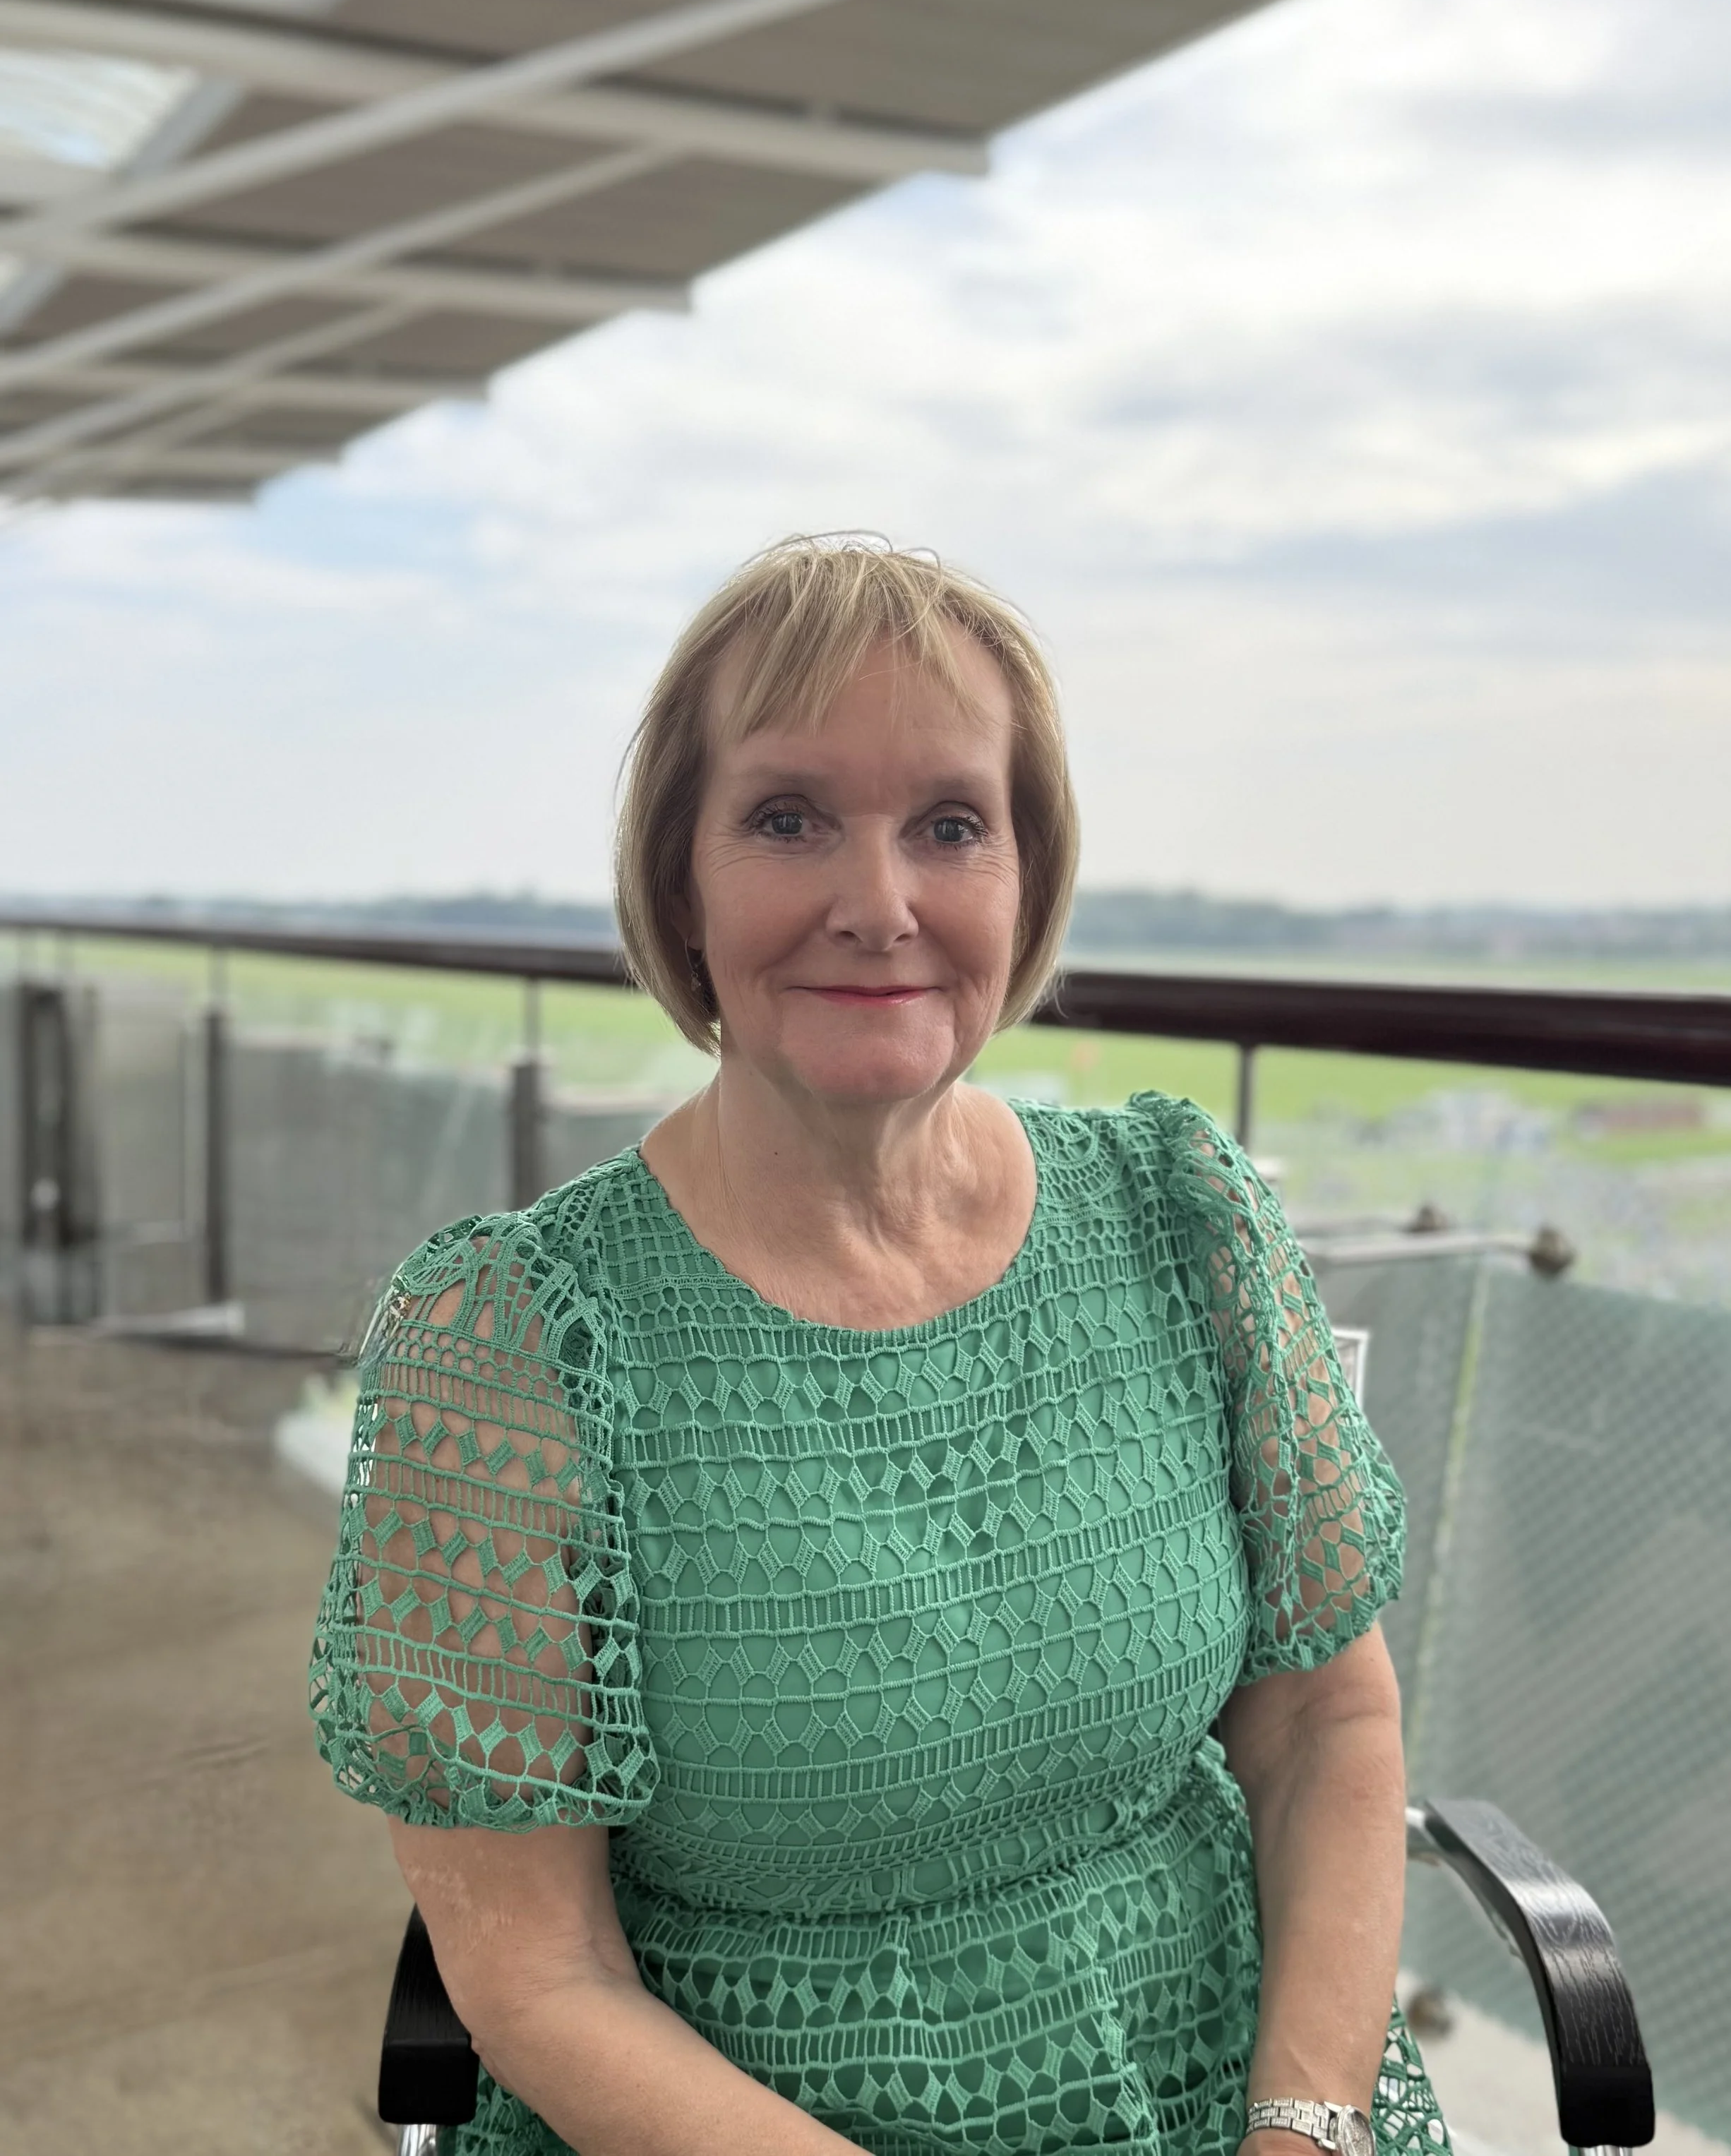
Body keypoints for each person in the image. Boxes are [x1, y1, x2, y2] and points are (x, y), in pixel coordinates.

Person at [309, 536, 1449, 2156]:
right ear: (681, 883)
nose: (878, 902)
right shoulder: (509, 1343)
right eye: (787, 819)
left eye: (948, 825)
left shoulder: (1180, 1217)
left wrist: (1302, 2125)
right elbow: (539, 1970)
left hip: (1240, 2107)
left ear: (1021, 880)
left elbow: (1321, 1723)